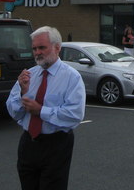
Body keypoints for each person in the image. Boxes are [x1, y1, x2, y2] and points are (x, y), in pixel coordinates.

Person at [6, 26, 86, 190]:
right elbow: (13, 112)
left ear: (57, 48)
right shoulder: (29, 75)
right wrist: (23, 92)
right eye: (34, 48)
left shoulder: (72, 77)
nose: (37, 52)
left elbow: (74, 114)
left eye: (42, 47)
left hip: (56, 144)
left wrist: (41, 111)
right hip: (29, 143)